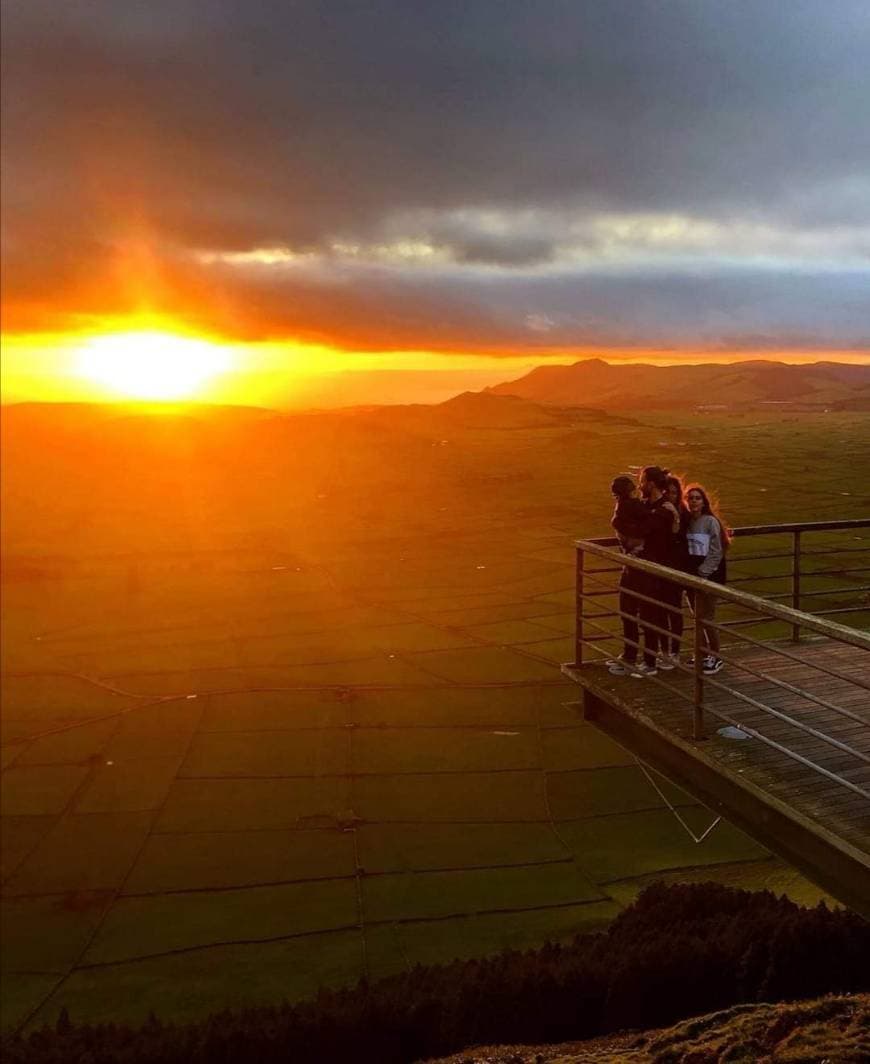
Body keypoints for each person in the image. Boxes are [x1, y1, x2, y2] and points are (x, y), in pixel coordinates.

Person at [633, 466, 681, 677]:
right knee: (651, 615)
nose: (640, 485)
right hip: (649, 569)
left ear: (651, 483)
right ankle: (655, 657)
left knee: (655, 614)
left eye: (642, 480)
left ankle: (653, 661)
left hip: (661, 569)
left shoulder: (665, 509)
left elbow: (642, 530)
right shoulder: (651, 506)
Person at [684, 484, 730, 675]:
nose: (694, 501)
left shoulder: (710, 522)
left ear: (704, 502)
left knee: (707, 617)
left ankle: (716, 656)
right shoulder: (687, 523)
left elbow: (716, 551)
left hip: (709, 574)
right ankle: (701, 654)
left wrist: (702, 573)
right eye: (690, 498)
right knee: (698, 617)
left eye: (698, 498)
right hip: (691, 574)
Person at [607, 475, 649, 676]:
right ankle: (634, 656)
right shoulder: (637, 506)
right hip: (635, 563)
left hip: (636, 565)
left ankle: (632, 656)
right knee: (636, 612)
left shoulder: (628, 507)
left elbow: (637, 530)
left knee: (630, 611)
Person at [658, 474, 690, 667]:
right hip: (660, 566)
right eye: (667, 492)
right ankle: (664, 651)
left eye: (674, 493)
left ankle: (675, 651)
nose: (671, 496)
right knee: (661, 611)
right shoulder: (658, 510)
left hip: (676, 567)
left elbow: (679, 536)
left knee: (674, 610)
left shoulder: (682, 513)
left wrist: (675, 516)